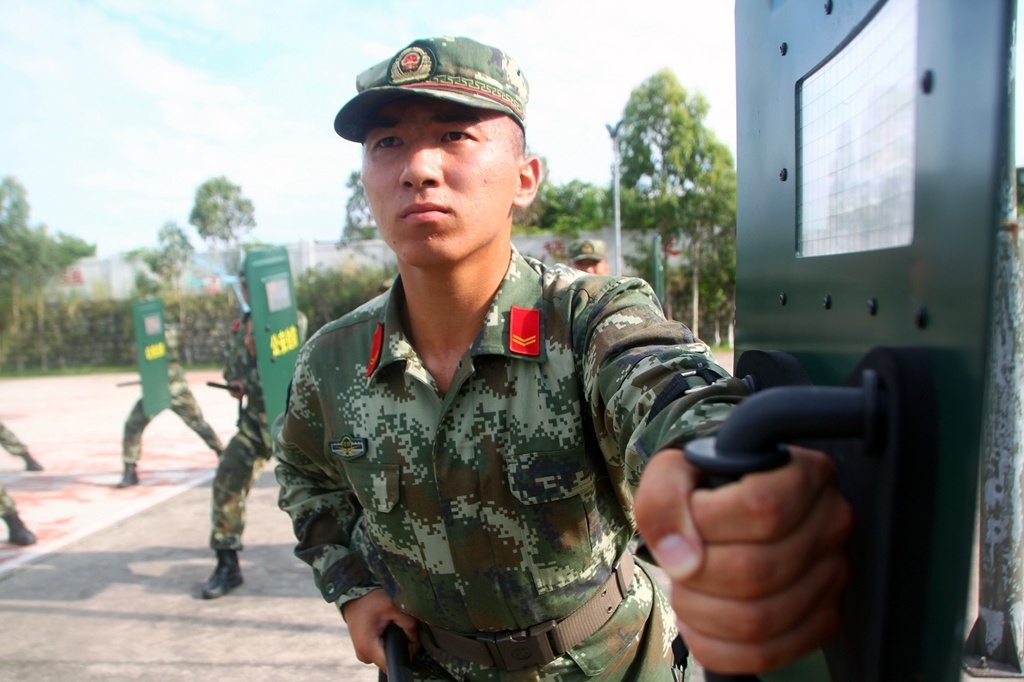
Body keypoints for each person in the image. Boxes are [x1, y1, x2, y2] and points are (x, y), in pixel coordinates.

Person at [274, 36, 851, 680]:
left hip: (609, 663)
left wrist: (712, 468)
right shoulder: (333, 359)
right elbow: (307, 480)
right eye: (388, 143)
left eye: (456, 135)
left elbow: (669, 386)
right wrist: (354, 589)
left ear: (524, 179)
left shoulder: (590, 317)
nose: (419, 168)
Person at [200, 279, 271, 599]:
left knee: (346, 485)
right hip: (255, 425)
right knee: (227, 476)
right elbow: (233, 374)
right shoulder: (236, 331)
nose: (247, 290)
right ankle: (227, 563)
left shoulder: (288, 319)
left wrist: (262, 343)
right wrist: (235, 385)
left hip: (299, 421)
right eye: (243, 285)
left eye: (251, 284)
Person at [117, 326, 223, 488]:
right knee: (133, 424)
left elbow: (165, 351)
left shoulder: (166, 331)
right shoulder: (144, 336)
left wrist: (142, 348)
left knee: (198, 423)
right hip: (155, 388)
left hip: (176, 388)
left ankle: (222, 454)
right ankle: (129, 469)